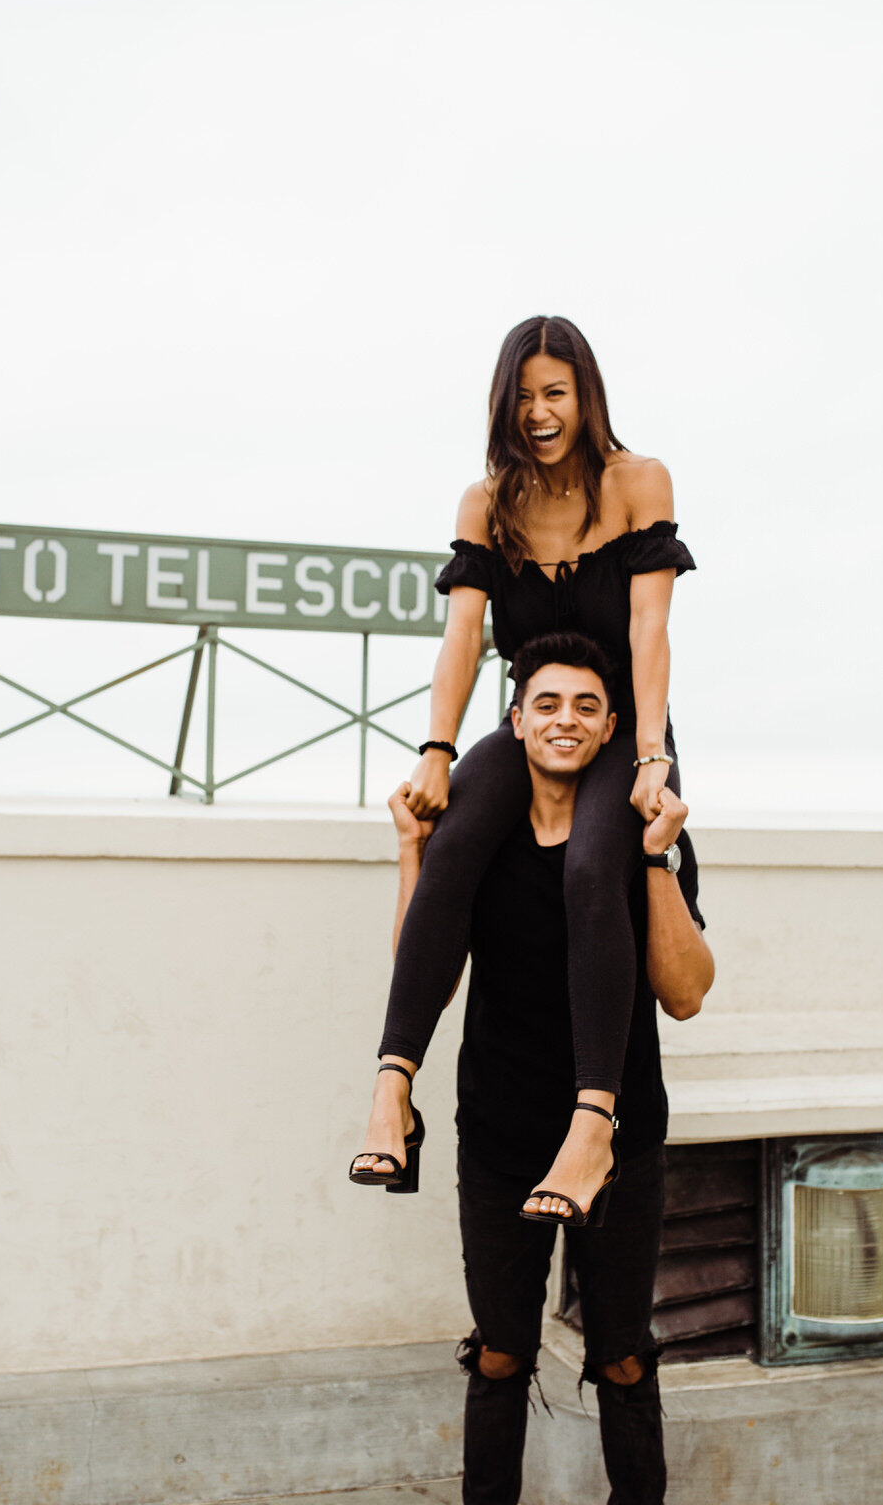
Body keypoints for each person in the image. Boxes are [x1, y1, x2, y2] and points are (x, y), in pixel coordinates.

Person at [352, 315, 696, 1222]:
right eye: (524, 395)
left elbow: (650, 631)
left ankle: (593, 1123)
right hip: (531, 720)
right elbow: (463, 636)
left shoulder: (639, 484)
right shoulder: (487, 502)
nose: (539, 412)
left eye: (556, 392)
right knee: (454, 838)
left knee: (592, 867)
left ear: (586, 395)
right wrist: (436, 749)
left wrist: (652, 753)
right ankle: (393, 1086)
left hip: (616, 721)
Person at [360, 633, 714, 1505]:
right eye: (548, 704)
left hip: (620, 1134)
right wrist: (413, 849)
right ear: (517, 723)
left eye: (586, 707)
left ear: (610, 732)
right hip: (502, 1128)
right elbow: (425, 968)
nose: (566, 720)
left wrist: (658, 859)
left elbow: (688, 993)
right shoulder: (481, 841)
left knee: (624, 1357)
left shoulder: (642, 832)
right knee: (500, 1350)